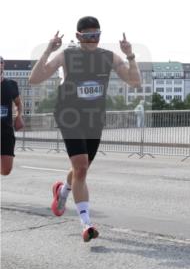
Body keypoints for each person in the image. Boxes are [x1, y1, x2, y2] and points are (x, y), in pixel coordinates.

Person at [28, 18, 142, 242]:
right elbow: (34, 79)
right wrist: (48, 51)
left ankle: (62, 192)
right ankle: (86, 223)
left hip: (94, 119)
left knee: (81, 169)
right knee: (80, 167)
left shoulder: (108, 57)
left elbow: (135, 81)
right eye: (89, 36)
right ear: (79, 36)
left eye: (97, 35)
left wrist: (130, 55)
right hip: (69, 116)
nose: (93, 40)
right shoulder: (68, 56)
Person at [1, 57, 25, 176]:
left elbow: (19, 103)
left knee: (6, 170)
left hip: (6, 131)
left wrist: (18, 116)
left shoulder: (11, 84)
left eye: (0, 63)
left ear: (3, 66)